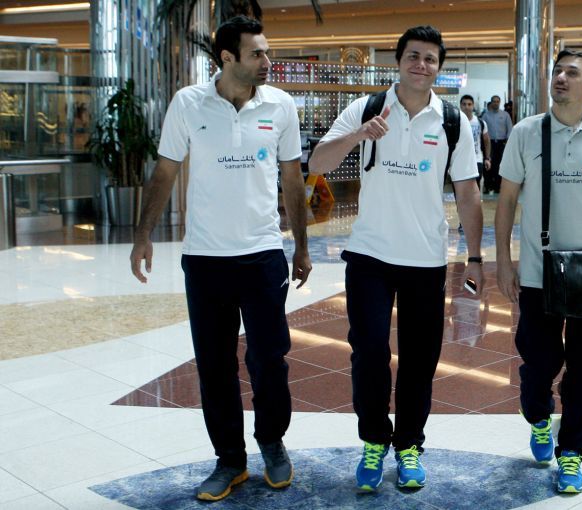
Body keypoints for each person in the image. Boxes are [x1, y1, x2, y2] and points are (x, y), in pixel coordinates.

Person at [129, 16, 311, 501]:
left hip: (262, 254)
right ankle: (230, 460)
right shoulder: (188, 103)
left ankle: (272, 442)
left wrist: (301, 245)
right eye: (257, 54)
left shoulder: (281, 105)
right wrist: (143, 234)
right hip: (206, 257)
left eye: (267, 51)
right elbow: (165, 171)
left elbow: (293, 179)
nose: (267, 61)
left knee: (269, 359)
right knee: (214, 366)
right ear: (227, 58)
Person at [309, 25, 484, 492]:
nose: (420, 65)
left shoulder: (453, 121)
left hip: (425, 259)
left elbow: (468, 192)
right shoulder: (367, 108)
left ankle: (409, 445)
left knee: (420, 359)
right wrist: (359, 134)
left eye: (430, 58)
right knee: (368, 352)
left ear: (439, 67)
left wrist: (475, 256)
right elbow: (318, 163)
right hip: (369, 256)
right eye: (412, 56)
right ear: (398, 61)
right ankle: (373, 441)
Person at [494, 48, 582, 494]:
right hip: (538, 271)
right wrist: (503, 261)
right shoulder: (526, 132)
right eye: (557, 71)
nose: (561, 78)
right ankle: (538, 415)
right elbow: (507, 200)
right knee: (539, 362)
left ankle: (571, 452)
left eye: (572, 73)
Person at [482, 94, 513, 194]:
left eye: (497, 101)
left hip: (501, 143)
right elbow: (482, 130)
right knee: (488, 164)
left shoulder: (505, 115)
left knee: (500, 165)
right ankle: (488, 186)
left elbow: (510, 129)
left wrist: (507, 142)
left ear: (499, 103)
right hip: (490, 143)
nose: (496, 103)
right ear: (491, 103)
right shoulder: (486, 116)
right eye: (494, 101)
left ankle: (497, 186)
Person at [460, 94, 491, 188]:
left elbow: (486, 141)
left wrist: (487, 158)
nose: (466, 107)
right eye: (464, 104)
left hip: (477, 159)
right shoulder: (456, 121)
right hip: (460, 159)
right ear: (460, 105)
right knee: (461, 187)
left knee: (475, 186)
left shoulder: (480, 122)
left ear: (473, 106)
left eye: (469, 104)